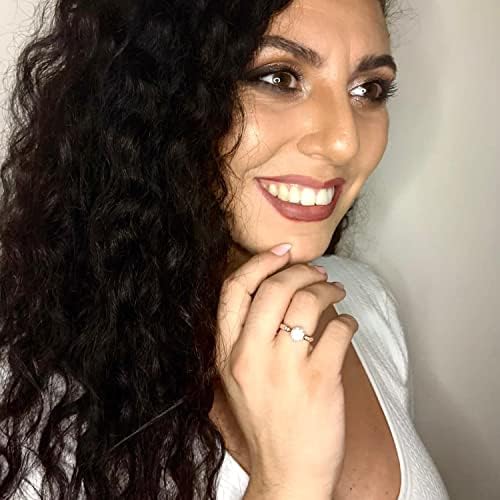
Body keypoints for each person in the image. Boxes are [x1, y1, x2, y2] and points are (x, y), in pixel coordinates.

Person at [0, 0, 449, 498]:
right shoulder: (29, 402)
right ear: (161, 94)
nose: (344, 141)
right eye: (279, 77)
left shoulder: (367, 304)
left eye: (369, 89)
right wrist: (288, 479)